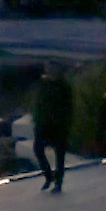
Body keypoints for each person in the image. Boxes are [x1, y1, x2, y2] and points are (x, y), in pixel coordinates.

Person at [29, 64, 72, 193]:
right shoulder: (43, 85)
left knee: (59, 155)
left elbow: (68, 106)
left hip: (58, 125)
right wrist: (36, 120)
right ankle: (49, 176)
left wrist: (65, 123)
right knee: (38, 150)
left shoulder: (63, 86)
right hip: (43, 125)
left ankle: (58, 182)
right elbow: (38, 103)